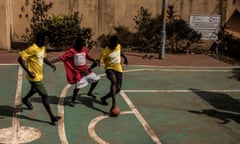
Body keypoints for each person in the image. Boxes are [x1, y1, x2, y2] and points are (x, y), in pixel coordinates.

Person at [18, 32, 61, 125]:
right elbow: (20, 59)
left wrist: (50, 64)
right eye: (45, 40)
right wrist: (29, 71)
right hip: (34, 77)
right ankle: (52, 117)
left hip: (39, 75)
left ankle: (25, 99)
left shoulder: (42, 47)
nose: (47, 41)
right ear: (40, 40)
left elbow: (43, 57)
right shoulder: (32, 49)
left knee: (34, 90)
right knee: (44, 95)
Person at [50, 37, 100, 107]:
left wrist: (94, 60)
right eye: (80, 45)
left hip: (86, 71)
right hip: (78, 73)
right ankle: (73, 101)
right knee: (77, 88)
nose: (81, 47)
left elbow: (88, 56)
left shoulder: (84, 49)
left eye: (82, 45)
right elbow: (62, 57)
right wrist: (51, 62)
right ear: (76, 44)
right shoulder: (72, 51)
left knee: (96, 79)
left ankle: (89, 92)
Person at [97, 35, 128, 110]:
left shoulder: (118, 46)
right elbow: (99, 60)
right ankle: (114, 103)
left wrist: (125, 58)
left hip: (118, 69)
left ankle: (104, 98)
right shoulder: (105, 51)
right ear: (110, 43)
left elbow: (120, 51)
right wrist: (96, 63)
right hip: (109, 68)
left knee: (118, 89)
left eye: (116, 44)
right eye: (114, 44)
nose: (115, 46)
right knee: (114, 81)